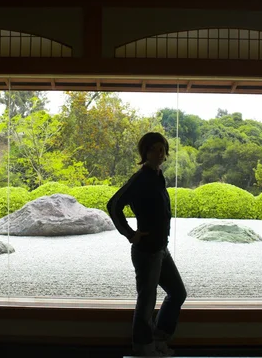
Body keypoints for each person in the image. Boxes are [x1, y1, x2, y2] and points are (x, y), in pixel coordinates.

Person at [107, 132, 187, 357]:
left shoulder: (157, 175)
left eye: (162, 149)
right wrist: (130, 234)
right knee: (146, 301)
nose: (159, 153)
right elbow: (114, 205)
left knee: (177, 293)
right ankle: (144, 348)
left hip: (161, 249)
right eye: (154, 149)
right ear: (145, 152)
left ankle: (158, 338)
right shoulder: (141, 177)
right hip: (146, 251)